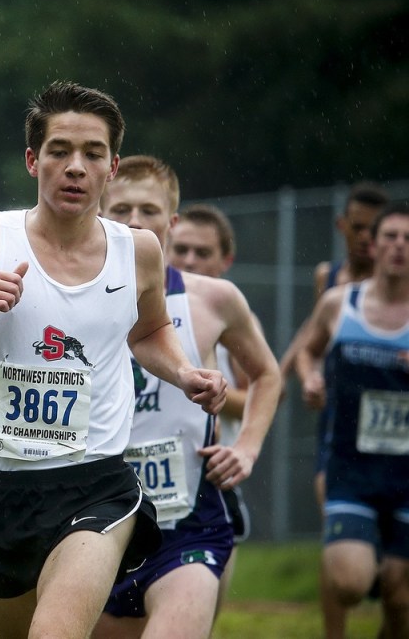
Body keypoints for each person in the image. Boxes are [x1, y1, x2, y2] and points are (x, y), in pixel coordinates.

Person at [0, 81, 227, 639]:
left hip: (96, 482)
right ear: (32, 160)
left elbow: (149, 331)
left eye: (93, 153)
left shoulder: (137, 249)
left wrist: (186, 371)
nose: (76, 167)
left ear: (112, 166)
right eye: (60, 151)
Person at [94, 157, 281, 638]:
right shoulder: (67, 299)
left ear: (172, 222)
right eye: (121, 210)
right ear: (98, 212)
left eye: (149, 211)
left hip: (188, 519)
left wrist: (248, 448)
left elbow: (266, 374)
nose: (135, 221)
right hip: (93, 520)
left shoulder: (212, 300)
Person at [295, 200, 409, 639]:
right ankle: (376, 559)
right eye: (391, 237)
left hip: (406, 473)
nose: (399, 246)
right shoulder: (340, 303)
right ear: (373, 245)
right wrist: (310, 379)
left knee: (401, 604)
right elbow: (308, 349)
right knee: (349, 584)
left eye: (408, 239)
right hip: (351, 466)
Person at [278, 181, 388, 636]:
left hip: (391, 431)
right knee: (336, 530)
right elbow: (312, 336)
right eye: (357, 229)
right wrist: (289, 377)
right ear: (342, 226)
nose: (365, 239)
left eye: (373, 231)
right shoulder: (330, 277)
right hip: (338, 427)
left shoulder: (399, 281)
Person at [166, 203, 255, 612]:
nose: (189, 260)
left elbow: (262, 390)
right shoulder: (150, 309)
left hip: (212, 473)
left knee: (200, 612)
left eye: (203, 253)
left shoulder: (230, 316)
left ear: (226, 259)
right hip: (144, 466)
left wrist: (205, 388)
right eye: (181, 249)